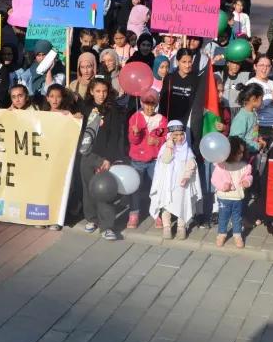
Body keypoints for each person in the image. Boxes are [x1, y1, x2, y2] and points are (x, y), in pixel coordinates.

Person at [77, 77, 127, 240]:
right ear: (91, 92)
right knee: (88, 189)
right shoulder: (86, 108)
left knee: (104, 190)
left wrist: (108, 158)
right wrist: (76, 116)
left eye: (104, 91)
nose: (101, 94)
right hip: (87, 155)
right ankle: (91, 219)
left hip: (103, 157)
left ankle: (107, 226)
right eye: (98, 91)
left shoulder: (112, 110)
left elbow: (115, 136)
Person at [149, 120, 202, 240]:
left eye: (181, 134)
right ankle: (167, 227)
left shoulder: (186, 149)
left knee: (183, 203)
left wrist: (187, 176)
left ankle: (181, 227)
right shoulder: (166, 148)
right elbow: (165, 160)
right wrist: (169, 146)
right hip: (167, 183)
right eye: (175, 135)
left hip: (182, 183)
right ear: (169, 135)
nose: (179, 137)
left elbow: (191, 164)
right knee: (166, 203)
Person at [126, 90, 167, 229]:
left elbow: (166, 138)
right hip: (137, 160)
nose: (150, 107)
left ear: (156, 104)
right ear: (142, 103)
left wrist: (157, 141)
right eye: (147, 104)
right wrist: (135, 133)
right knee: (135, 187)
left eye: (152, 104)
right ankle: (134, 213)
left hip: (154, 160)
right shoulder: (136, 117)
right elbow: (132, 140)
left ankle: (157, 213)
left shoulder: (161, 119)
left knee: (156, 188)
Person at [212, 137, 252, 247]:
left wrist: (247, 181)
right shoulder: (221, 165)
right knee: (223, 217)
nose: (241, 155)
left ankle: (237, 235)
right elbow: (214, 180)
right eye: (238, 153)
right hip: (224, 197)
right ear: (230, 153)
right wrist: (222, 186)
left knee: (237, 218)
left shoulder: (244, 166)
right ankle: (221, 234)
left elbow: (248, 176)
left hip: (237, 197)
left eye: (242, 152)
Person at [249, 55, 273, 143]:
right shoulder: (251, 84)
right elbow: (255, 106)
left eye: (268, 66)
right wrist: (271, 95)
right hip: (259, 126)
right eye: (261, 65)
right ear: (255, 66)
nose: (264, 68)